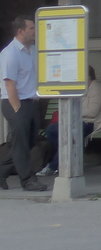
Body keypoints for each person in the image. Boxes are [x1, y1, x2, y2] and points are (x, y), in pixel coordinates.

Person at [1, 15, 47, 191]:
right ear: (20, 31)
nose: (35, 31)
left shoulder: (33, 50)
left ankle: (1, 171)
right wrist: (18, 109)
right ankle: (28, 180)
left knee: (26, 142)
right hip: (15, 102)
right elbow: (9, 83)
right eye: (32, 28)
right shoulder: (10, 53)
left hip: (32, 102)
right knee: (21, 144)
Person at [40, 66, 101, 175]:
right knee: (51, 130)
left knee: (69, 134)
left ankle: (54, 166)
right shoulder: (83, 88)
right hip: (78, 121)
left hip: (92, 123)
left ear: (88, 76)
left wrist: (73, 112)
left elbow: (93, 112)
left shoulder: (96, 88)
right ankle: (60, 161)